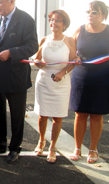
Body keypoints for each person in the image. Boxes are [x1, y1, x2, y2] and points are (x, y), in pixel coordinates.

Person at [0, 0, 38, 164]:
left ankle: (15, 148)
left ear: (12, 1)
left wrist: (12, 52)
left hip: (15, 76)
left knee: (16, 114)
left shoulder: (26, 20)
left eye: (0, 1)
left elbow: (32, 46)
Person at [69, 0, 109, 163]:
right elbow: (70, 47)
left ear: (102, 15)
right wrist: (73, 56)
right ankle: (78, 147)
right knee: (80, 114)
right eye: (88, 12)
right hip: (82, 77)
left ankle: (93, 149)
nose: (90, 15)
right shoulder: (80, 29)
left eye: (94, 12)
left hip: (103, 78)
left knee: (96, 114)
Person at [33, 10, 76, 163]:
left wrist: (62, 73)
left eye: (58, 20)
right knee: (42, 115)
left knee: (57, 117)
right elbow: (36, 59)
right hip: (44, 81)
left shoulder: (69, 41)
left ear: (64, 24)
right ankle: (41, 141)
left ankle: (53, 147)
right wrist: (38, 63)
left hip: (61, 83)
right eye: (52, 20)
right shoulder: (44, 39)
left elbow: (73, 62)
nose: (54, 23)